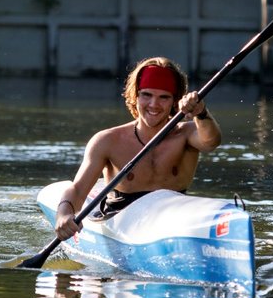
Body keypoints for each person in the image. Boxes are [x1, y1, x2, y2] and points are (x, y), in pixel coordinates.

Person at [54, 56, 221, 241]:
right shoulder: (107, 140)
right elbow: (78, 190)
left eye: (163, 97)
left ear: (175, 101)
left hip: (173, 218)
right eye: (147, 95)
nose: (154, 105)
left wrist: (201, 112)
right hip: (121, 220)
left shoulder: (187, 134)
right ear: (135, 96)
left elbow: (211, 141)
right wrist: (64, 213)